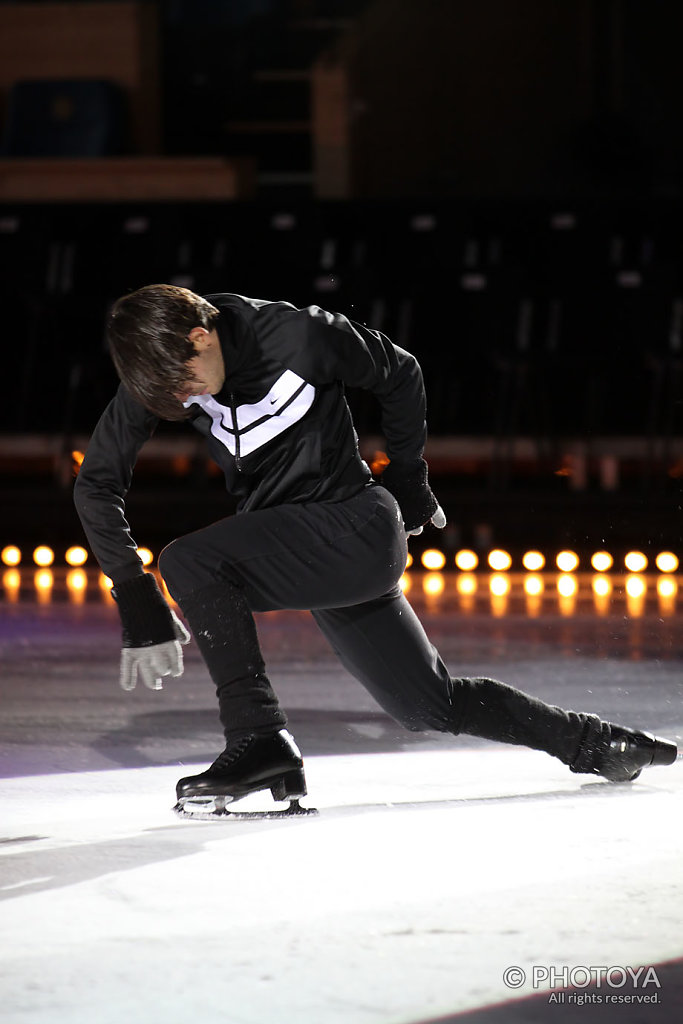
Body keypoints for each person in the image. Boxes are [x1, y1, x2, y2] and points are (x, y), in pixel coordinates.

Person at [74, 284, 677, 817]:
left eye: (184, 384)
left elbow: (400, 370)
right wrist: (134, 596)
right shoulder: (163, 372)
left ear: (201, 336)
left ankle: (259, 738)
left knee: (188, 561)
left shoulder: (297, 335)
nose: (182, 402)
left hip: (354, 524)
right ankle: (594, 743)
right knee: (428, 706)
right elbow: (96, 482)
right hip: (307, 551)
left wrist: (409, 477)